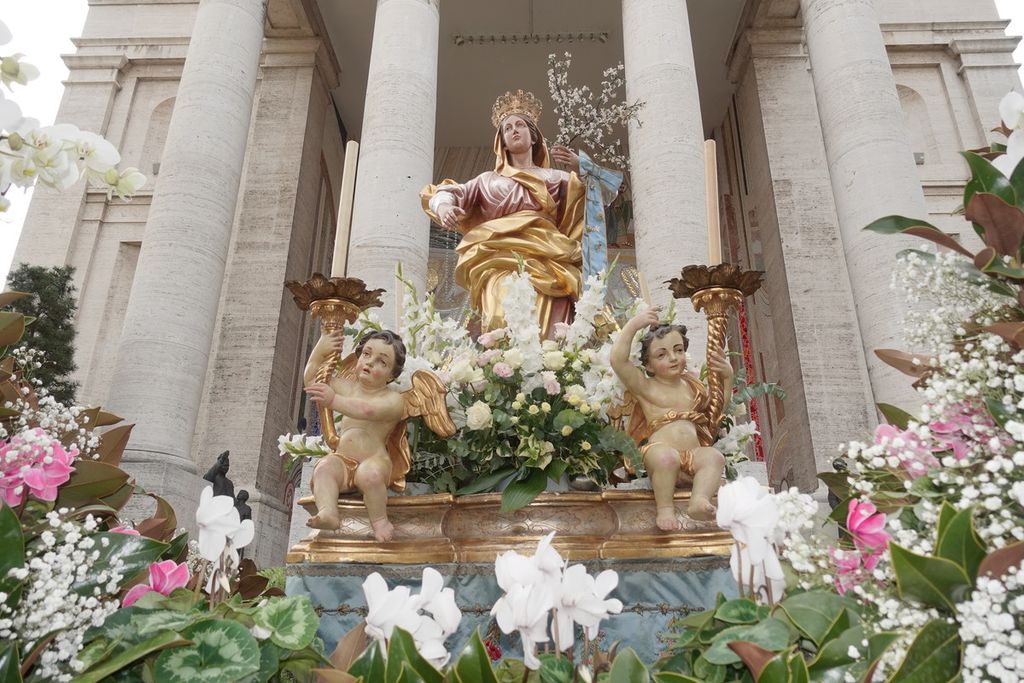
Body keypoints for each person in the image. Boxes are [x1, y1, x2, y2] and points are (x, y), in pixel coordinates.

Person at [421, 89, 586, 338]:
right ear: (502, 142)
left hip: (550, 261)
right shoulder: (487, 180)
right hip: (497, 260)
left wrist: (584, 168)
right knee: (501, 321)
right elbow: (446, 192)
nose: (514, 130)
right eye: (507, 128)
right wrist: (444, 207)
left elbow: (599, 199)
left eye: (520, 125)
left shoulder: (558, 177)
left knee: (550, 334)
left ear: (533, 136)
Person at [610, 308, 732, 528]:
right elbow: (618, 361)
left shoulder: (693, 386)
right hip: (659, 453)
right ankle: (665, 508)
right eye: (662, 355)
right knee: (668, 459)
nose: (673, 358)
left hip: (692, 454)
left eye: (678, 350)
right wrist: (633, 325)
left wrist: (728, 377)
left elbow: (716, 410)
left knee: (714, 457)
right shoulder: (646, 387)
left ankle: (699, 500)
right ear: (648, 365)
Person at [303, 330, 408, 542]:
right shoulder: (347, 387)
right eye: (366, 354)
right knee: (323, 469)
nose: (370, 362)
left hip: (374, 460)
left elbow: (366, 410)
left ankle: (379, 520)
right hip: (344, 459)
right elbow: (313, 379)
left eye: (382, 362)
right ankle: (328, 512)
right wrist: (321, 349)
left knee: (370, 476)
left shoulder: (394, 400)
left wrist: (333, 401)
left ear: (392, 375)